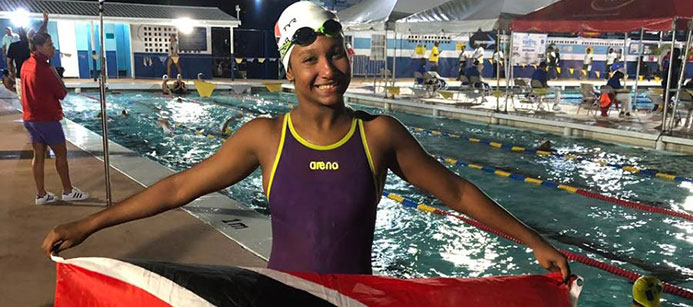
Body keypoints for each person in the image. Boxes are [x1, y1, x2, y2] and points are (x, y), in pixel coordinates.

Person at [42, 2, 570, 281]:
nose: (327, 70)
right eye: (310, 60)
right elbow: (179, 187)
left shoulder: (378, 134)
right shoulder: (265, 139)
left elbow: (455, 192)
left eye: (335, 54)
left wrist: (536, 243)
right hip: (285, 301)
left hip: (363, 303)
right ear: (289, 71)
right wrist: (90, 223)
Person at [22, 31, 87, 205]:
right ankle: (68, 191)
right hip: (47, 119)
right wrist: (55, 73)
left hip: (30, 119)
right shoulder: (45, 69)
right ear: (39, 47)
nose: (54, 48)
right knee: (61, 154)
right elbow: (62, 93)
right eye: (50, 45)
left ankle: (41, 195)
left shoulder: (26, 64)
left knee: (39, 155)